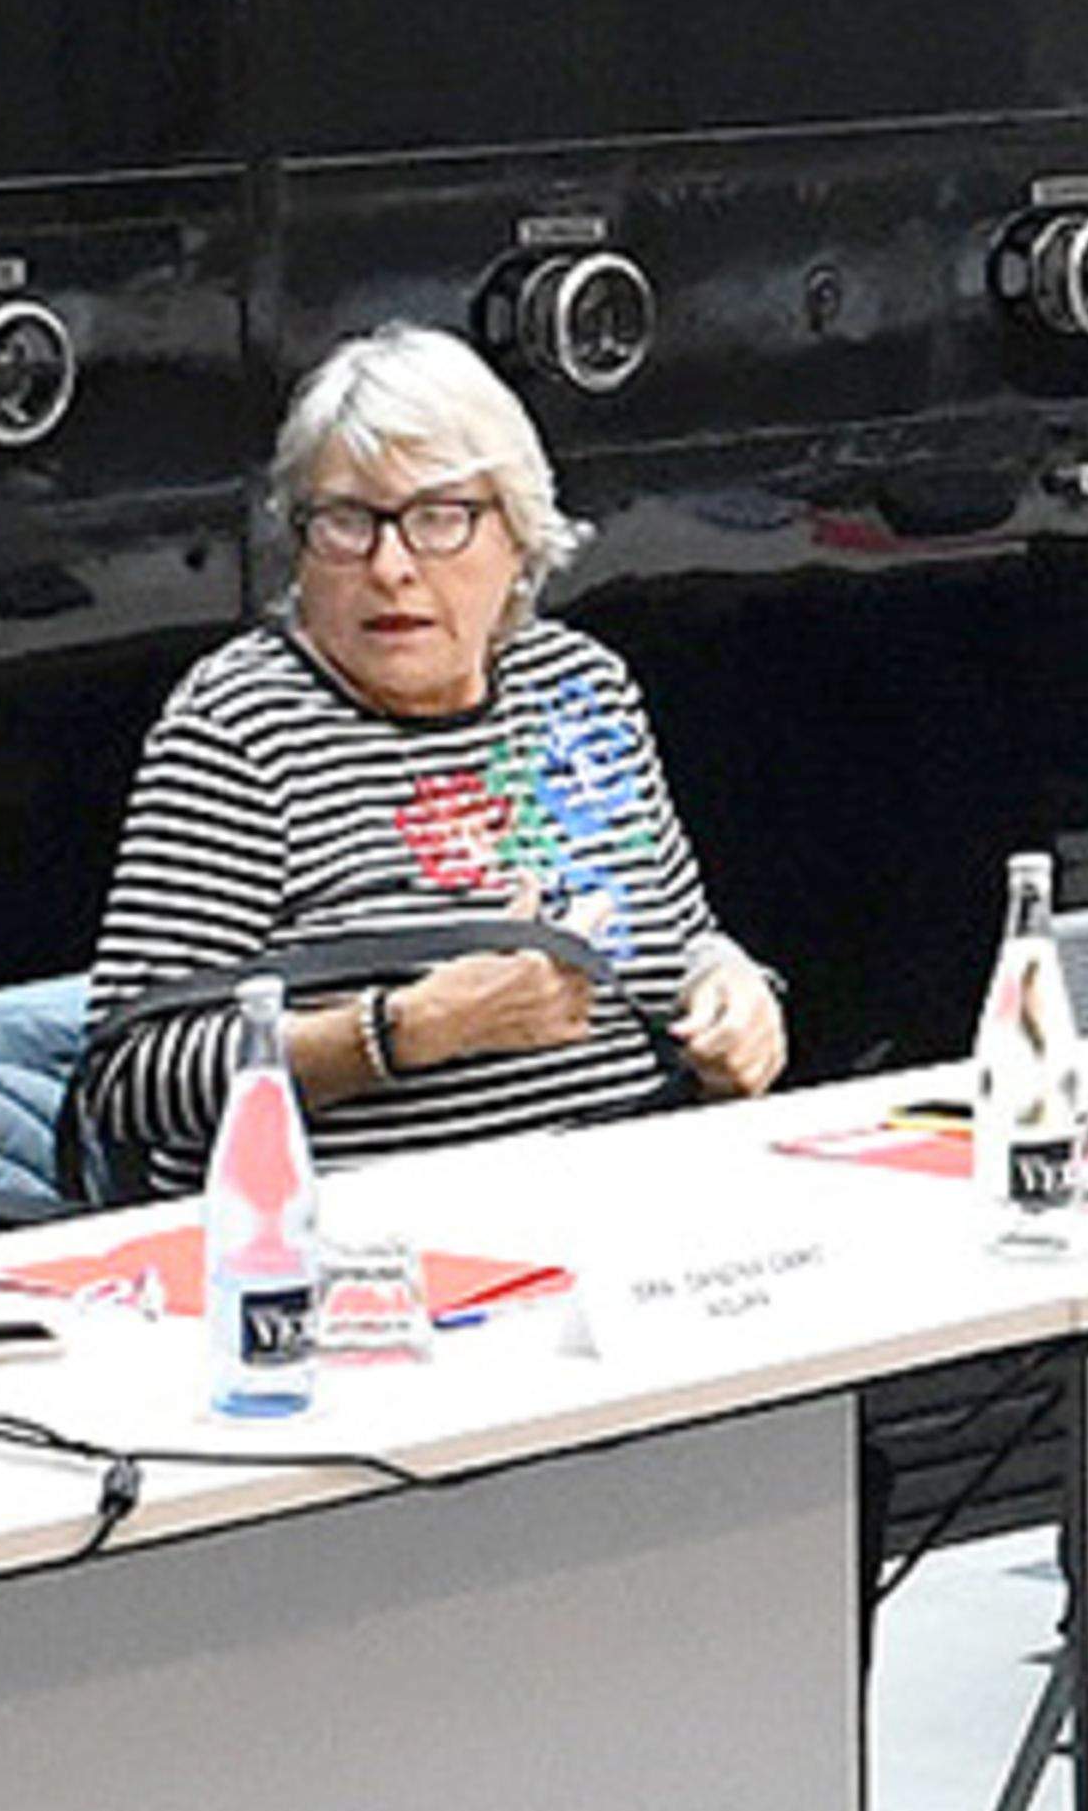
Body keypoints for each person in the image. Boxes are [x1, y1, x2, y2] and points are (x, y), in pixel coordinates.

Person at [79, 326, 784, 1192]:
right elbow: (130, 1077)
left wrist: (737, 993)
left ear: (519, 539)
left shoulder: (577, 689)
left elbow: (679, 944)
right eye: (346, 522)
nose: (391, 568)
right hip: (358, 1250)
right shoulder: (240, 725)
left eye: (440, 518)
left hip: (626, 1208)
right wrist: (408, 1029)